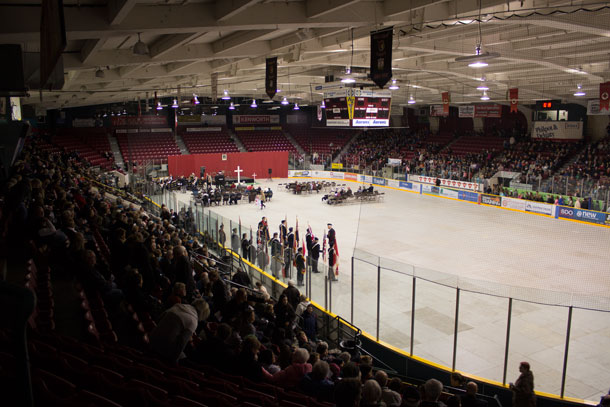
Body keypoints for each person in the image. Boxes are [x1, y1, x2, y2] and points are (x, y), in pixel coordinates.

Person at [149, 298, 210, 363]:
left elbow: (159, 319)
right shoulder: (193, 321)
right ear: (203, 314)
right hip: (163, 351)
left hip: (152, 338)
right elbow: (181, 344)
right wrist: (173, 362)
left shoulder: (178, 306)